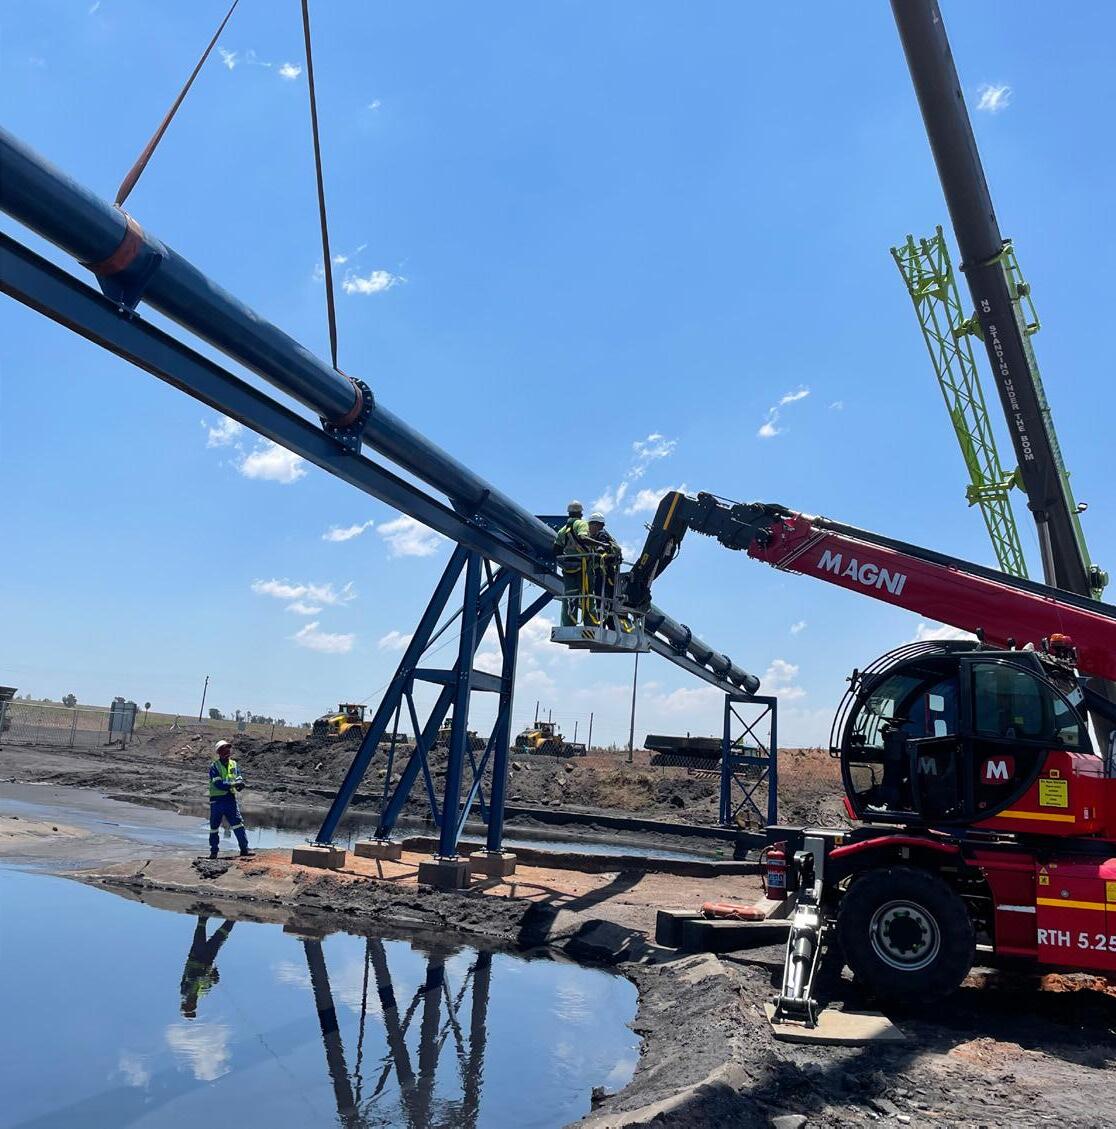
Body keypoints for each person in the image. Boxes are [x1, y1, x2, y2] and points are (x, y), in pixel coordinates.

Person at [179, 915, 236, 1019]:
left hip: (196, 956)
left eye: (188, 1006)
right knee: (220, 937)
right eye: (192, 1007)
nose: (191, 1005)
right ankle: (234, 916)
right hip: (208, 959)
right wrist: (214, 978)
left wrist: (205, 976)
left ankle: (204, 912)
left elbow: (192, 976)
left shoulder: (184, 991)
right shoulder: (203, 993)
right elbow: (211, 981)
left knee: (200, 929)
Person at [208, 740, 254, 859]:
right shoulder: (214, 766)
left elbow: (238, 777)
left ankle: (244, 849)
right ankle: (214, 852)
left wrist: (240, 784)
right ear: (219, 752)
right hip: (217, 800)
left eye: (228, 750)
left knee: (238, 824)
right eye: (224, 750)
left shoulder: (234, 764)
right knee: (214, 827)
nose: (227, 752)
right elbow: (219, 784)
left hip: (230, 799)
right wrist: (234, 784)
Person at [553, 500, 592, 626]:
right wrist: (602, 544)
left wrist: (564, 561)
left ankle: (568, 622)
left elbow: (556, 550)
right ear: (580, 513)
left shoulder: (562, 530)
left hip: (568, 568)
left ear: (568, 513)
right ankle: (590, 622)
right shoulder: (581, 524)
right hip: (584, 566)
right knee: (587, 595)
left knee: (570, 596)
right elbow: (583, 537)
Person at [586, 512, 623, 625]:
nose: (589, 527)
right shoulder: (605, 535)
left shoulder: (601, 535)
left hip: (603, 573)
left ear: (596, 524)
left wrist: (598, 550)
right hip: (608, 573)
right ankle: (609, 623)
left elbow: (601, 549)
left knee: (601, 597)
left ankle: (602, 622)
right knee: (607, 599)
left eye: (590, 524)